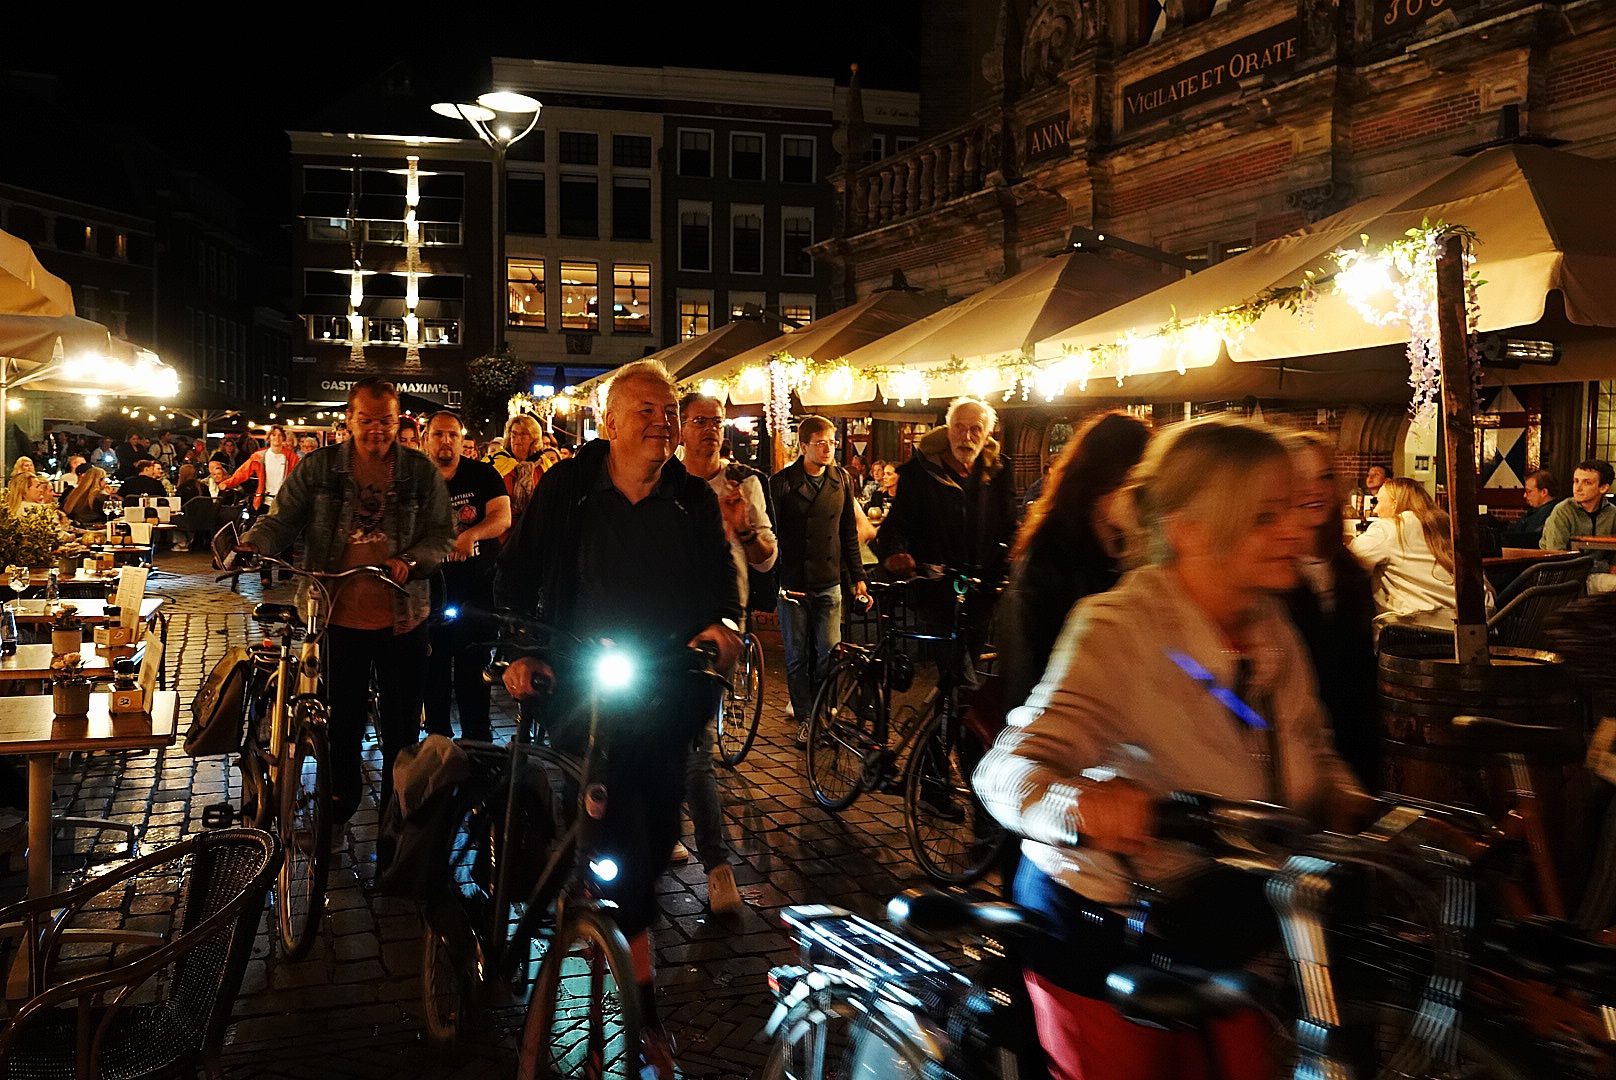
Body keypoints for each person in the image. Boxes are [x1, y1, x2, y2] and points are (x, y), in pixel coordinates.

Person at [974, 416, 1367, 1080]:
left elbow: (1312, 748)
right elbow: (1006, 768)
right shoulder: (1117, 628)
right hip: (1104, 931)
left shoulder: (1272, 627)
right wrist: (1078, 804)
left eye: (1293, 509)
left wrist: (1352, 800)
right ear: (1190, 531)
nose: (1296, 531)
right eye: (1265, 517)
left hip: (1232, 930)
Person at [494, 358, 741, 1080]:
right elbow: (518, 571)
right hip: (581, 690)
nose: (663, 423)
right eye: (647, 411)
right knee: (617, 837)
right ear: (609, 422)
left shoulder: (690, 500)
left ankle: (612, 929)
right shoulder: (569, 488)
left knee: (656, 837)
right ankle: (640, 1001)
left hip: (665, 695)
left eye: (670, 412)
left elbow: (719, 584)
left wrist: (722, 627)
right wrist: (521, 650)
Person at [237, 378, 455, 841]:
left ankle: (397, 820)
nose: (377, 430)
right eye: (367, 420)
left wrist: (410, 561)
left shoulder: (419, 472)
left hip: (403, 620)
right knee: (341, 724)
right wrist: (254, 543)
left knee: (402, 730)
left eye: (386, 421)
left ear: (398, 421)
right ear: (350, 420)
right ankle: (339, 806)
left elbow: (441, 535)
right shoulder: (319, 469)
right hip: (335, 617)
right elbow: (282, 519)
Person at [677, 392, 777, 915]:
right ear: (681, 426)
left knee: (696, 742)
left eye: (717, 421)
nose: (710, 429)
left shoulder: (744, 483)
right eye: (700, 420)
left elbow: (765, 559)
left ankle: (717, 867)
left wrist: (742, 528)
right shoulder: (664, 477)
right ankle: (670, 825)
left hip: (721, 622)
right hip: (665, 619)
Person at [874, 395, 1017, 662]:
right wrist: (896, 554)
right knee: (954, 664)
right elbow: (896, 525)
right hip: (936, 587)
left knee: (970, 657)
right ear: (948, 430)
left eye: (975, 429)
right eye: (959, 428)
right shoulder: (919, 473)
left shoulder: (999, 470)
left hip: (982, 588)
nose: (966, 436)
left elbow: (1009, 524)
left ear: (987, 434)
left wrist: (1010, 557)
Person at [1284, 430, 1380, 789]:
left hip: (1353, 756)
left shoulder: (1350, 573)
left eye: (1324, 477)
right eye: (1301, 479)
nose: (1315, 490)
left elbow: (1360, 680)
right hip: (1297, 760)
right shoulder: (1273, 577)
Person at [770, 415, 869, 743]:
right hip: (795, 583)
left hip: (829, 581)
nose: (828, 449)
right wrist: (777, 580)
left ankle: (823, 714)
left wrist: (858, 576)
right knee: (797, 656)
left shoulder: (841, 480)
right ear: (804, 446)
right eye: (821, 443)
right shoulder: (782, 483)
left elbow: (848, 532)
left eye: (832, 442)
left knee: (828, 653)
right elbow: (772, 535)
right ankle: (805, 718)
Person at [422, 410, 511, 744]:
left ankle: (478, 743)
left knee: (473, 671)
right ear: (426, 439)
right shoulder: (417, 479)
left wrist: (471, 534)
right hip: (430, 591)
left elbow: (502, 517)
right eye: (438, 434)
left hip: (476, 590)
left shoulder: (483, 474)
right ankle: (437, 744)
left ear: (462, 440)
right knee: (434, 673)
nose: (446, 441)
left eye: (452, 435)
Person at [1350, 477, 1474, 638]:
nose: (1376, 510)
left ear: (1395, 504)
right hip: (1475, 624)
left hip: (1415, 631)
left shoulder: (1389, 528)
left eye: (1379, 501)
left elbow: (1347, 564)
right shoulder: (1446, 523)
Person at [222, 425, 299, 515]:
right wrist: (227, 483)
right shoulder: (259, 456)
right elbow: (243, 472)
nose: (277, 438)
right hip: (264, 501)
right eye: (274, 435)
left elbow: (297, 479)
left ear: (283, 438)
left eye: (280, 435)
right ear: (269, 437)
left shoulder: (292, 458)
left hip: (284, 502)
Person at [489, 413, 544, 526]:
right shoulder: (495, 462)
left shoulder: (543, 466)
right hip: (502, 529)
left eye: (523, 435)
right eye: (514, 434)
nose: (517, 439)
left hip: (535, 527)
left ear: (534, 438)